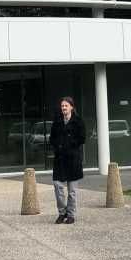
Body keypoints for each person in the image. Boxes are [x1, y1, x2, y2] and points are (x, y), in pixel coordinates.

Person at [49, 96, 85, 224]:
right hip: (59, 159)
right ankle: (62, 212)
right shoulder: (57, 122)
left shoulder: (78, 121)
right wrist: (57, 146)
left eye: (66, 105)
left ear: (71, 107)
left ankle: (71, 214)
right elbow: (52, 138)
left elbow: (82, 138)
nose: (63, 108)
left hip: (73, 159)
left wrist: (70, 145)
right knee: (57, 185)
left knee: (72, 190)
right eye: (62, 106)